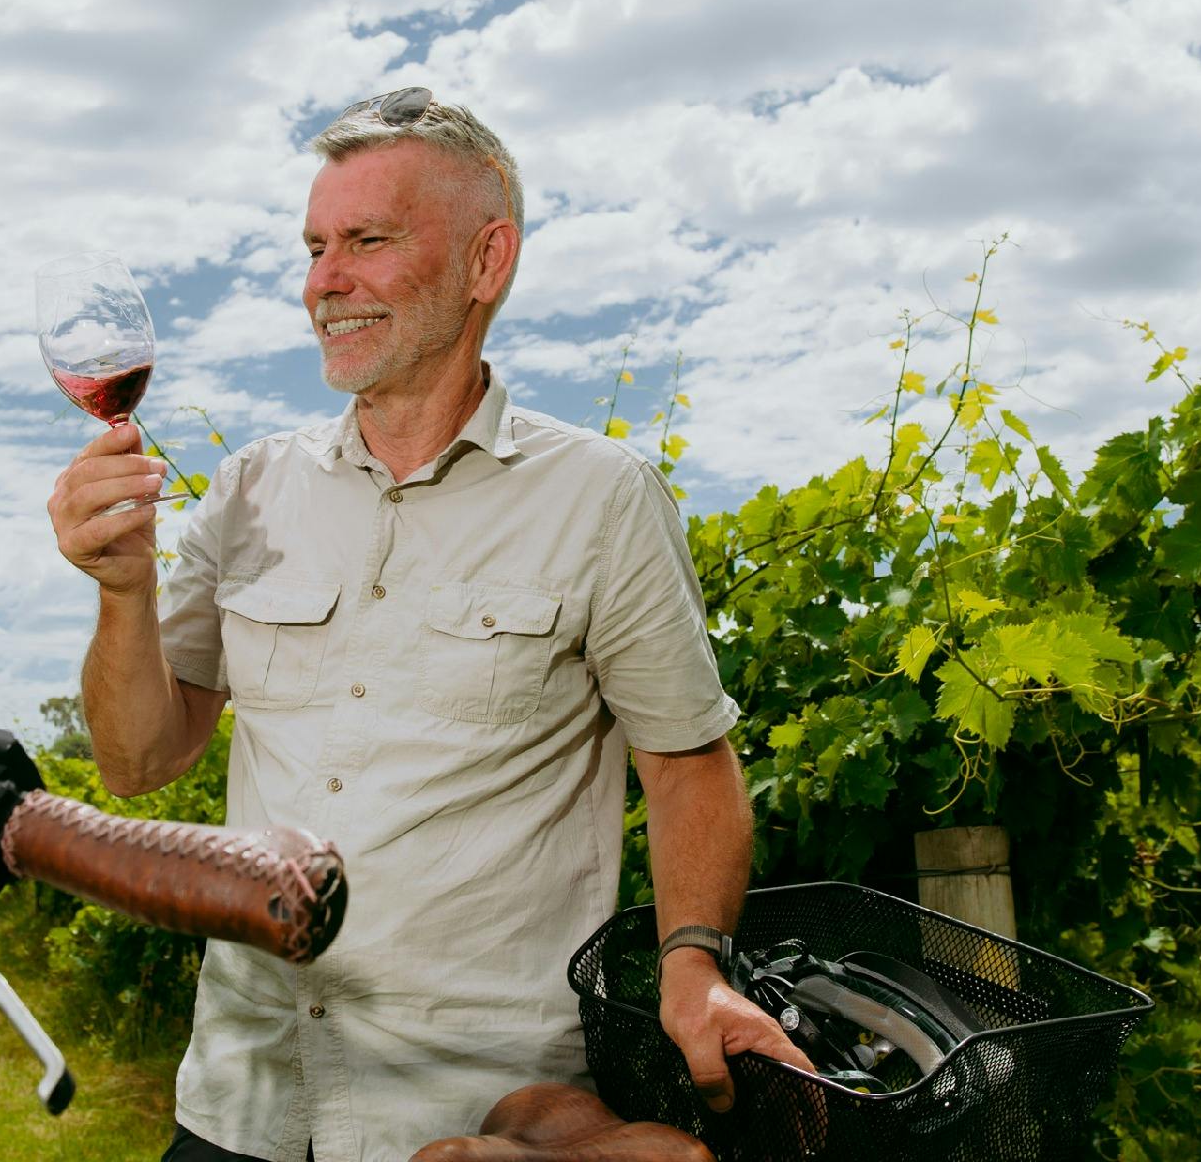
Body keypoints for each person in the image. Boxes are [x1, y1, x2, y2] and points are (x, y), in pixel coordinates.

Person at [48, 88, 813, 1162]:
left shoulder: (599, 498)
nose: (325, 282)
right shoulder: (250, 489)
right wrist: (120, 593)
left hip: (482, 1116)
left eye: (368, 240)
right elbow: (135, 763)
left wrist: (693, 960)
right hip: (241, 1101)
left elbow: (688, 764)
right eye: (315, 247)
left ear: (485, 262)